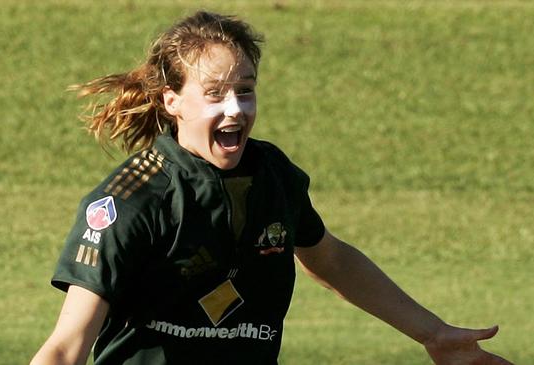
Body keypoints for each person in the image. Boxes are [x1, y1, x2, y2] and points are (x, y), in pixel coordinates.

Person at [30, 10, 512, 365]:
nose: (235, 108)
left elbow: (331, 260)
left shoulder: (272, 175)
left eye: (245, 88)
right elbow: (67, 346)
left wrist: (433, 333)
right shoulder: (129, 201)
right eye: (215, 94)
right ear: (172, 101)